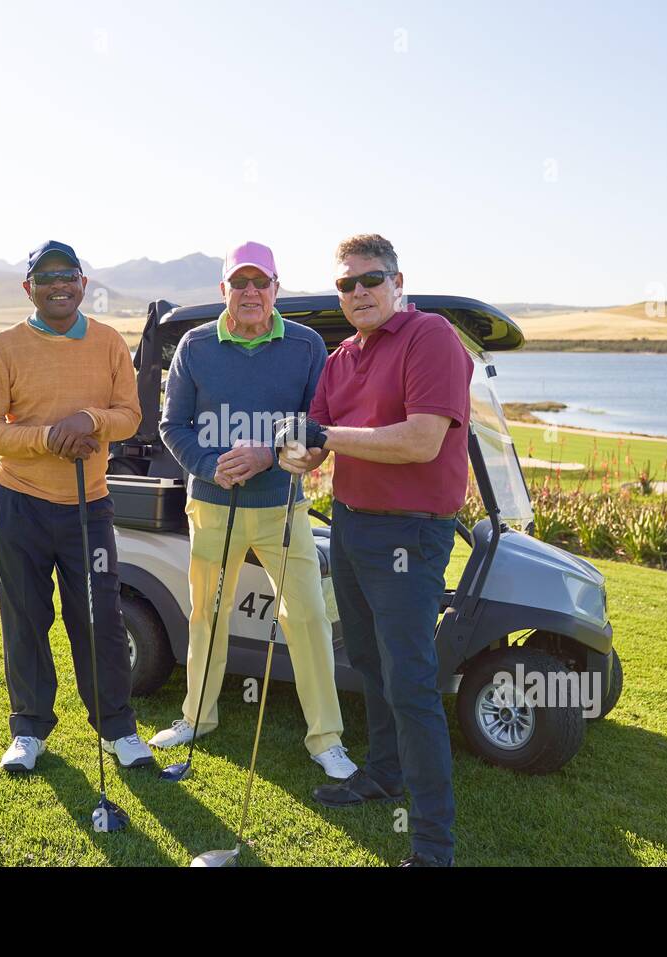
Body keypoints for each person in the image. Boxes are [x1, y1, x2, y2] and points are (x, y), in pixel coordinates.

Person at [277, 233, 471, 866]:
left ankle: (432, 845)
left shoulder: (430, 336)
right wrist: (297, 447)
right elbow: (315, 446)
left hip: (410, 535)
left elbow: (420, 441)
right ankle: (385, 774)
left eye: (371, 279)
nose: (358, 291)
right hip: (354, 524)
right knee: (367, 661)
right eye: (346, 283)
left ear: (397, 281)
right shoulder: (341, 358)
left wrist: (325, 434)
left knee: (411, 681)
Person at [152, 241, 357, 780]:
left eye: (259, 282)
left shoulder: (307, 346)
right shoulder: (195, 347)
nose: (249, 292)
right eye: (239, 283)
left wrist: (270, 454)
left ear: (275, 289)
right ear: (224, 290)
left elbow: (318, 428)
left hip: (281, 509)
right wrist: (208, 464)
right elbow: (172, 426)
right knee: (207, 615)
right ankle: (197, 716)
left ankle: (325, 738)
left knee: (309, 616)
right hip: (213, 507)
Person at [0, 240, 154, 773]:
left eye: (68, 275)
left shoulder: (109, 342)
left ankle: (117, 729)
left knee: (99, 616)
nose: (58, 285)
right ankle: (29, 729)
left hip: (88, 507)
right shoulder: (2, 348)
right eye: (46, 277)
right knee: (25, 617)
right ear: (29, 288)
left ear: (83, 284)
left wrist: (89, 422)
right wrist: (51, 436)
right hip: (20, 503)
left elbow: (130, 416)